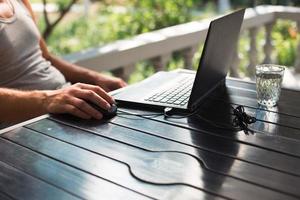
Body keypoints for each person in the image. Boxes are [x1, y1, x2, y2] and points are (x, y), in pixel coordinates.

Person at [0, 0, 127, 124]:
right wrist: (47, 100)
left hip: (65, 104)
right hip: (24, 123)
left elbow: (46, 57)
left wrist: (96, 78)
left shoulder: (20, 2)